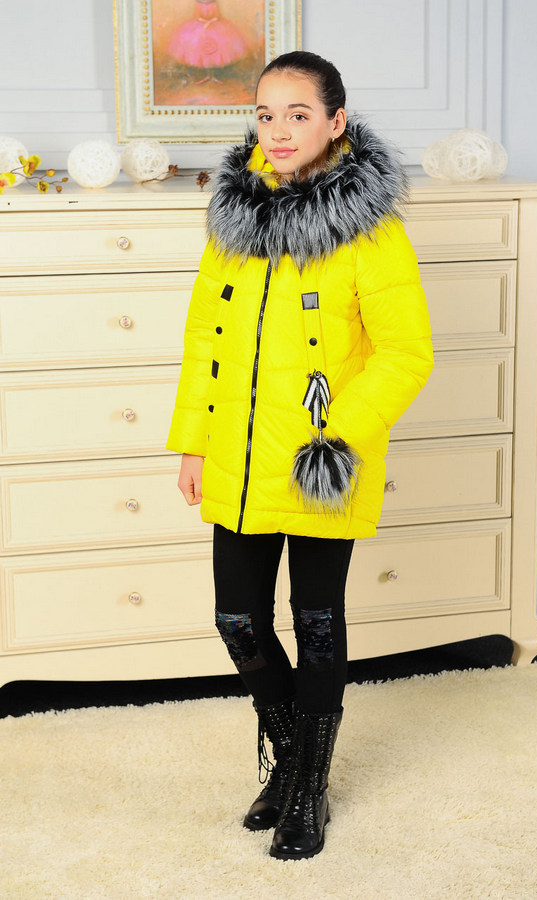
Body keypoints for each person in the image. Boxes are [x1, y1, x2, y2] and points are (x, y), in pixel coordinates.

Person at [166, 50, 434, 860]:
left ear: (334, 122)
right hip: (238, 455)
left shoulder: (370, 229)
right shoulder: (234, 217)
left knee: (315, 625)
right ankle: (290, 760)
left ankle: (308, 788)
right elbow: (205, 340)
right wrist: (193, 441)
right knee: (238, 621)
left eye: (298, 114)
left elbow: (405, 354)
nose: (278, 130)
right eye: (264, 114)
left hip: (321, 461)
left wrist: (334, 438)